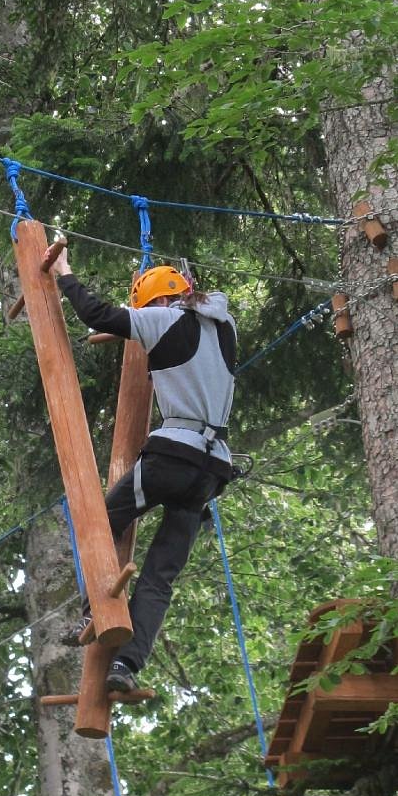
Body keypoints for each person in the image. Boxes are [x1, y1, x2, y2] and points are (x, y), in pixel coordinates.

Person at [52, 251, 237, 692]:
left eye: (145, 307)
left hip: (172, 457)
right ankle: (126, 667)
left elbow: (97, 315)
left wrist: (65, 275)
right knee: (159, 577)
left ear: (157, 302)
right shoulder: (225, 327)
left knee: (95, 521)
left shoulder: (163, 320)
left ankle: (97, 609)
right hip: (211, 470)